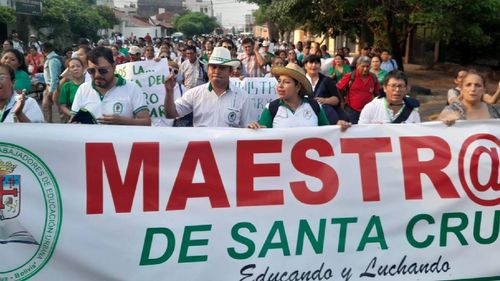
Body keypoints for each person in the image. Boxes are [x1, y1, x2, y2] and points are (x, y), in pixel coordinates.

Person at [164, 47, 251, 127]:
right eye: (213, 67)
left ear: (230, 71)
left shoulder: (243, 96)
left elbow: (247, 127)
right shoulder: (195, 93)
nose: (217, 71)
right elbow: (171, 114)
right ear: (208, 69)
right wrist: (169, 92)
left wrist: (253, 128)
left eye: (222, 68)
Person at [71, 47, 150, 125]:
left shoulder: (132, 88)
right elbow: (73, 121)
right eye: (91, 71)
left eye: (103, 70)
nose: (97, 75)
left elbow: (146, 122)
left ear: (113, 67)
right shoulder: (83, 89)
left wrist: (123, 121)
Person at [247, 63, 330, 129]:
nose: (280, 85)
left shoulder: (315, 106)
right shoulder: (271, 108)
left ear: (298, 87)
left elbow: (328, 134)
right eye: (279, 81)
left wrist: (339, 127)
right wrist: (255, 128)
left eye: (286, 82)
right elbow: (262, 139)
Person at [303, 55, 349, 127]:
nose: (314, 65)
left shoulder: (327, 80)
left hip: (327, 119)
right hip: (305, 118)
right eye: (311, 63)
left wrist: (325, 100)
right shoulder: (300, 81)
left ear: (320, 66)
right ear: (305, 66)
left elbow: (337, 100)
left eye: (317, 63)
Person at [336, 56, 380, 124]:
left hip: (368, 112)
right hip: (351, 111)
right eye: (363, 66)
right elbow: (338, 88)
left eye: (367, 66)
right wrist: (342, 101)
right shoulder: (350, 76)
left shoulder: (373, 77)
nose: (365, 69)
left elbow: (377, 93)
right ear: (357, 66)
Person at [42, 43, 62, 123]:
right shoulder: (51, 59)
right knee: (46, 107)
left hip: (54, 87)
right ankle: (49, 125)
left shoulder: (52, 60)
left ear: (43, 50)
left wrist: (51, 91)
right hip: (50, 86)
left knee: (60, 109)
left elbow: (54, 77)